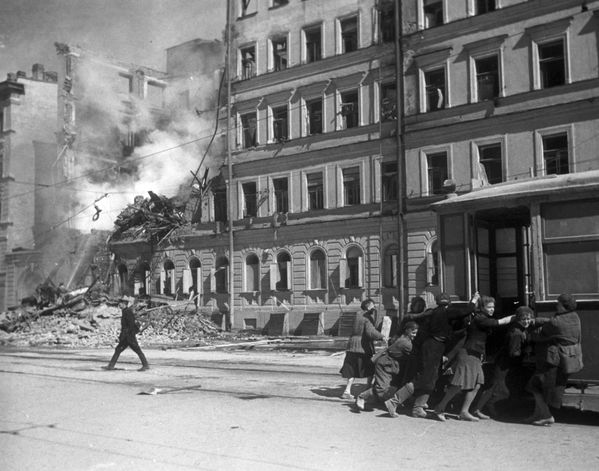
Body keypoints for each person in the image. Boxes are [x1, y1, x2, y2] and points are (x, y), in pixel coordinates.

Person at [385, 292, 480, 418]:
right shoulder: (445, 311)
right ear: (448, 303)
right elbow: (467, 310)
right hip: (433, 346)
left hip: (433, 346)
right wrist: (474, 300)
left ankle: (418, 408)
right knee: (424, 377)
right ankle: (394, 401)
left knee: (431, 378)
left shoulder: (433, 312)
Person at [432, 295, 515, 422]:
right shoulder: (480, 318)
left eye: (493, 307)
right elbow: (497, 323)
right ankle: (439, 408)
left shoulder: (482, 317)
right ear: (482, 308)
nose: (492, 309)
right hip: (468, 354)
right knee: (458, 384)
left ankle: (464, 411)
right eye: (489, 307)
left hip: (475, 354)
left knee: (477, 383)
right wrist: (515, 317)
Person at [525, 293, 582, 426]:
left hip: (553, 361)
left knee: (534, 386)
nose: (556, 305)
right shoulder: (575, 317)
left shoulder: (556, 322)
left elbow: (538, 335)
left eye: (558, 303)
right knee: (543, 388)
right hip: (569, 359)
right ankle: (536, 415)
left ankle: (547, 415)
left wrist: (531, 330)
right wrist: (542, 320)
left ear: (563, 306)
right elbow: (550, 321)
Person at [471, 306, 534, 419]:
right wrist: (527, 352)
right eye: (523, 319)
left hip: (504, 363)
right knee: (497, 388)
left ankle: (478, 409)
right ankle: (488, 410)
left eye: (528, 319)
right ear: (518, 319)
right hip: (505, 364)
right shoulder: (517, 333)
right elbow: (514, 352)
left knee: (493, 387)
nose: (526, 321)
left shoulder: (518, 328)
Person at [355, 321, 419, 411]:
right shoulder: (406, 343)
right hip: (385, 364)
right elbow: (414, 354)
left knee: (386, 387)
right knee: (383, 389)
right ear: (407, 330)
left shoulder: (403, 338)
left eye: (416, 333)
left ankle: (370, 397)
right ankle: (362, 397)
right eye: (413, 332)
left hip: (389, 364)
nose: (415, 335)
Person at [339, 298, 385, 400]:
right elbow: (371, 331)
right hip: (363, 347)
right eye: (373, 305)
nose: (375, 307)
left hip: (352, 346)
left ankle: (347, 391)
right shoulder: (366, 317)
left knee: (351, 370)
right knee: (370, 368)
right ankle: (367, 390)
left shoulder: (357, 315)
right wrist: (382, 336)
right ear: (368, 306)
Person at [103, 298, 149, 371]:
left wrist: (128, 335)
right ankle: (111, 366)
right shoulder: (125, 311)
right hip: (126, 336)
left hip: (129, 336)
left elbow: (131, 325)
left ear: (124, 304)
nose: (119, 305)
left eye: (120, 303)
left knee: (137, 350)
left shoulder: (128, 312)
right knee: (118, 350)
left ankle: (145, 365)